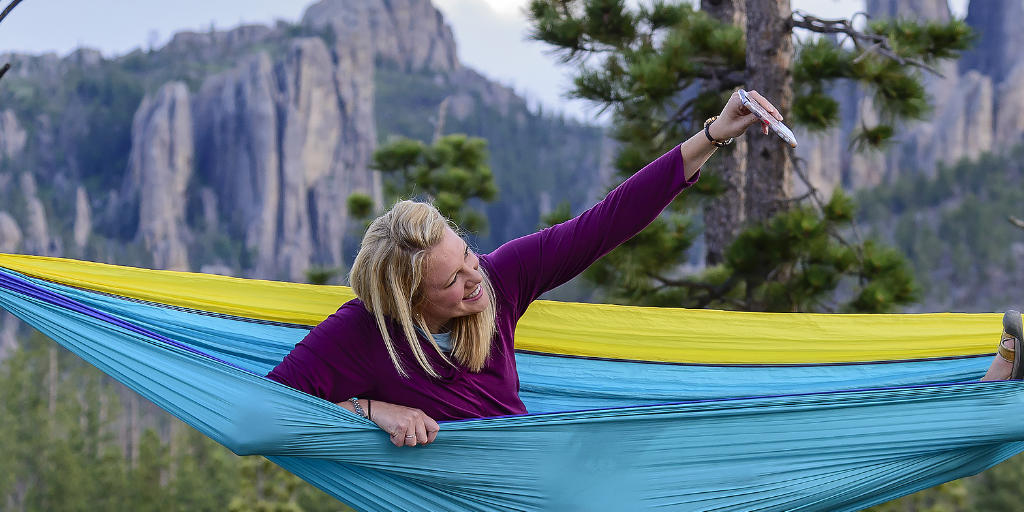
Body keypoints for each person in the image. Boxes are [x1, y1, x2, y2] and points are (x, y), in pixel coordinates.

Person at [266, 91, 785, 447]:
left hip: (535, 477)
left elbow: (606, 222)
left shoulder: (502, 277)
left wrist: (714, 134)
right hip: (468, 511)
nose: (476, 280)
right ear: (409, 301)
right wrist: (370, 410)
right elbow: (265, 410)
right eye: (452, 281)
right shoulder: (363, 333)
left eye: (467, 256)